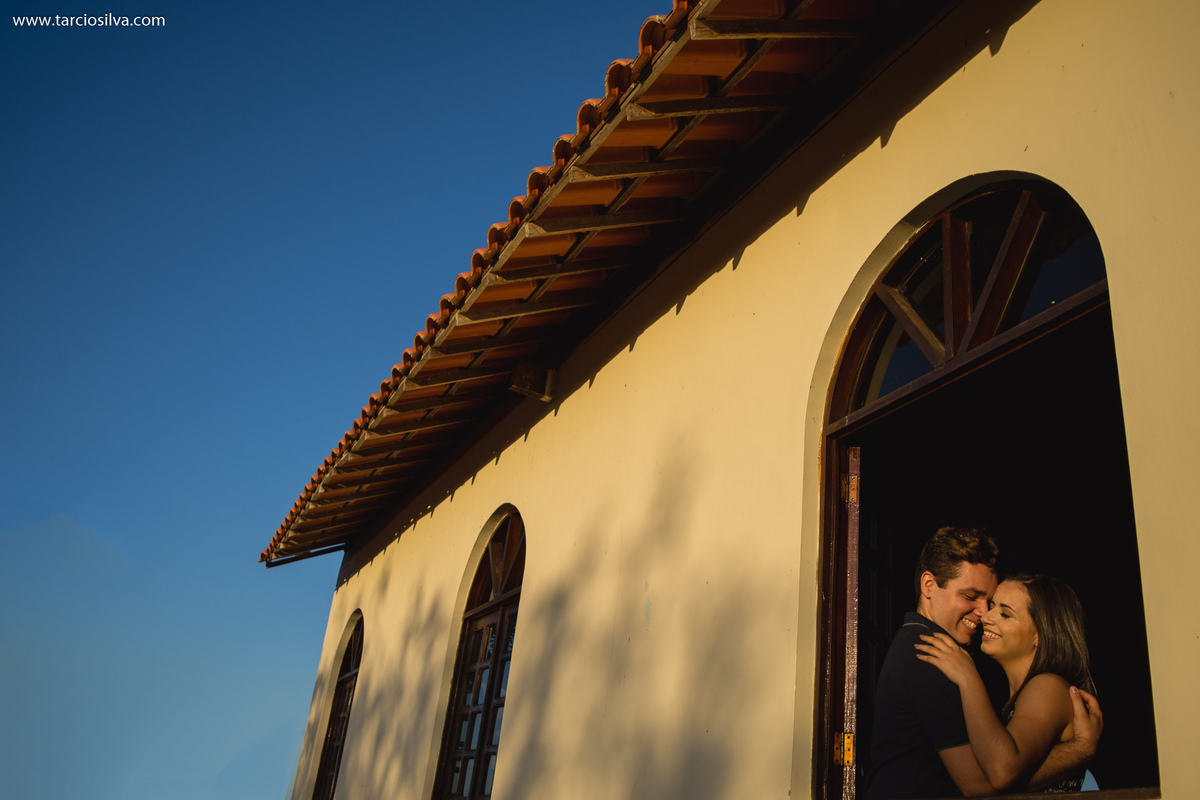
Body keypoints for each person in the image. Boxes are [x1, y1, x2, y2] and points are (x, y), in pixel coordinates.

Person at [864, 527, 1101, 799]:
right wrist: (1080, 749)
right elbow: (981, 784)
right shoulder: (930, 654)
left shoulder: (945, 655)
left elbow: (996, 775)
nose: (984, 613)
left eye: (995, 606)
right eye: (970, 596)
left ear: (1041, 634)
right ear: (929, 585)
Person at [915, 573, 1097, 792]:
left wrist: (968, 677)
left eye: (1005, 614)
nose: (986, 617)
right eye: (992, 606)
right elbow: (992, 785)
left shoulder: (1048, 686)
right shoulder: (1023, 696)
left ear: (1040, 634)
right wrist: (1080, 749)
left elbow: (1002, 772)